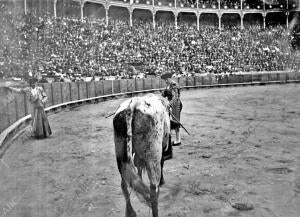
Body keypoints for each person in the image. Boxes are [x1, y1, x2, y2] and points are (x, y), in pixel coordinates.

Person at [161, 78, 183, 160]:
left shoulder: (174, 86)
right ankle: (176, 139)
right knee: (170, 121)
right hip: (171, 105)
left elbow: (175, 98)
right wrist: (164, 92)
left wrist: (168, 105)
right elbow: (163, 95)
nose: (165, 81)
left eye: (166, 80)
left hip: (176, 105)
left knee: (175, 122)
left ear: (169, 79)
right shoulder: (169, 86)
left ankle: (178, 140)